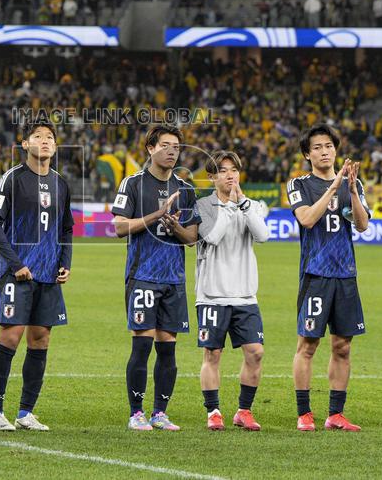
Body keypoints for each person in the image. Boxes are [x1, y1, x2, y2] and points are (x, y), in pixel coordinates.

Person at [0, 121, 73, 432]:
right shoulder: (12, 179)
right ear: (25, 144)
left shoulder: (61, 183)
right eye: (38, 136)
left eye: (50, 137)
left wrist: (66, 262)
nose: (45, 141)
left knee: (41, 340)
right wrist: (15, 264)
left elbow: (66, 228)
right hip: (18, 274)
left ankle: (25, 412)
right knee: (10, 337)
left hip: (48, 276)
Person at [112, 125, 200, 431]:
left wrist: (174, 224)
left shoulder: (186, 189)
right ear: (150, 148)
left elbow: (191, 238)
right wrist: (156, 214)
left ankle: (159, 412)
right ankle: (136, 413)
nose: (172, 150)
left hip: (173, 279)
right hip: (143, 276)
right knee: (142, 345)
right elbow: (119, 227)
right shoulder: (134, 184)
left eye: (176, 146)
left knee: (168, 346)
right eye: (165, 145)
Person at [287, 124, 370, 432]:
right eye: (318, 147)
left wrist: (349, 190)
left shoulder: (353, 184)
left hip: (345, 275)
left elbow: (361, 226)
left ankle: (335, 414)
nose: (324, 151)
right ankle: (304, 413)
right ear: (307, 154)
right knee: (308, 344)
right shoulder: (299, 184)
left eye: (329, 146)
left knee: (343, 346)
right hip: (315, 274)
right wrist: (334, 188)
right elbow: (307, 219)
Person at [195, 151, 269, 431]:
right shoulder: (204, 206)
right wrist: (228, 206)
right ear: (212, 177)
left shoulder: (251, 205)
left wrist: (244, 205)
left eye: (234, 170)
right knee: (212, 354)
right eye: (223, 171)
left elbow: (262, 236)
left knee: (256, 352)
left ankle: (244, 411)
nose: (230, 175)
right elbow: (212, 237)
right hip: (212, 295)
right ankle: (213, 411)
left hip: (245, 295)